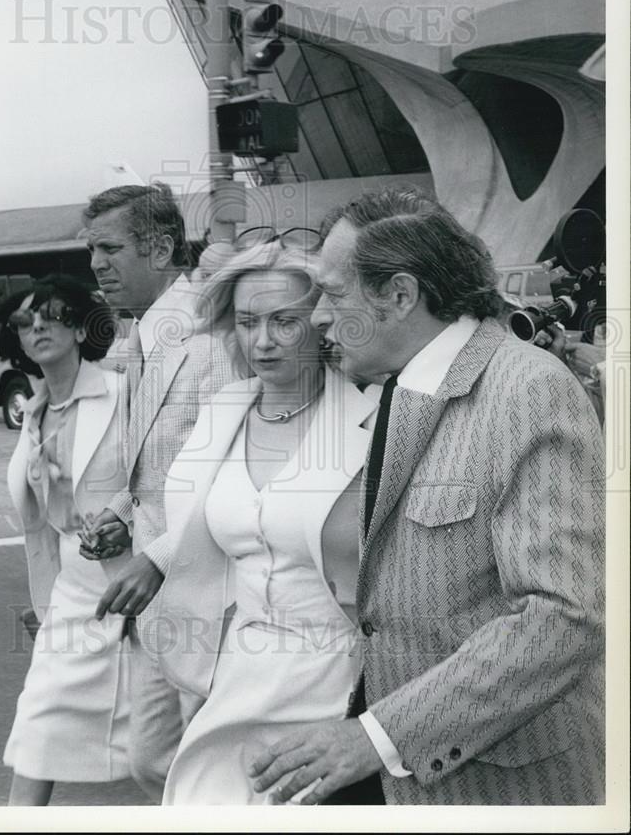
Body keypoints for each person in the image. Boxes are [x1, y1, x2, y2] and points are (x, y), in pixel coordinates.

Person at [249, 189, 605, 806]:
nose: (319, 319)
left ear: (400, 295)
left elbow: (563, 618)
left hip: (501, 790)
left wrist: (378, 737)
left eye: (334, 295)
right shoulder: (400, 388)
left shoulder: (528, 391)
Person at [153, 241, 380, 804]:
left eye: (284, 322)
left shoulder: (375, 416)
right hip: (240, 670)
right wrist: (153, 557)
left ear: (321, 322)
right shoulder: (223, 410)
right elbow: (197, 522)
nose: (262, 341)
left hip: (339, 675)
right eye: (249, 322)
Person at [77, 183, 237, 802]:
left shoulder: (214, 332)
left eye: (110, 248)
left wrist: (160, 556)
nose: (95, 264)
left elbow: (235, 470)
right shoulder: (141, 334)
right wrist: (121, 512)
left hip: (210, 586)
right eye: (92, 249)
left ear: (163, 247)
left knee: (210, 763)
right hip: (156, 593)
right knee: (152, 760)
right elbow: (156, 459)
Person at [0, 274, 132, 806]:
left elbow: (161, 480)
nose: (38, 328)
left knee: (165, 740)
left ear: (79, 327)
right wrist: (44, 605)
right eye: (25, 323)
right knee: (39, 719)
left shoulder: (124, 393)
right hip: (74, 594)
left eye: (52, 316)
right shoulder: (32, 412)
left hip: (141, 580)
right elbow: (41, 527)